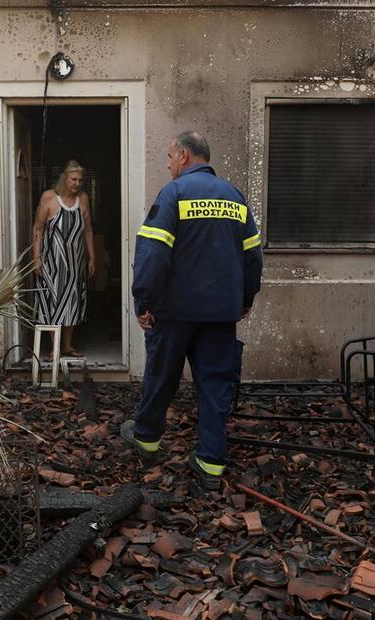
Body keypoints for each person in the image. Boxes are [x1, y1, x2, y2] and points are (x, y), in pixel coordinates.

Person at [120, 131, 264, 491]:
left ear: (184, 156)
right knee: (215, 385)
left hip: (175, 312)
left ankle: (147, 439)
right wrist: (246, 298)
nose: (168, 164)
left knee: (161, 376)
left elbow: (152, 255)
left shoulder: (174, 194)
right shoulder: (235, 198)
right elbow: (253, 257)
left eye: (169, 157)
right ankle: (211, 462)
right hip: (220, 313)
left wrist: (145, 302)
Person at [32, 160, 96, 359]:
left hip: (75, 262)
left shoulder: (83, 199)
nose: (77, 183)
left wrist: (91, 257)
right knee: (53, 301)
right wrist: (36, 257)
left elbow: (88, 230)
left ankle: (67, 346)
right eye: (73, 179)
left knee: (72, 301)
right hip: (52, 261)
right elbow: (38, 228)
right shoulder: (49, 197)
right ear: (64, 178)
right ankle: (55, 348)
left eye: (80, 180)